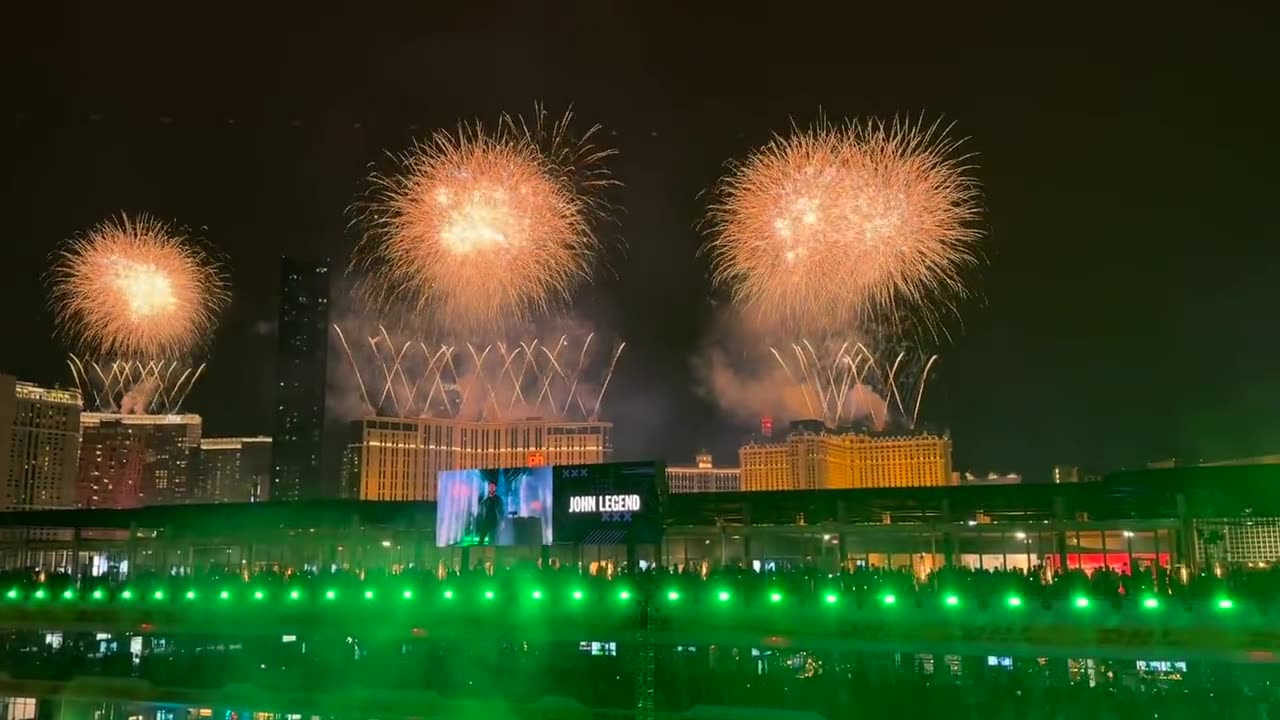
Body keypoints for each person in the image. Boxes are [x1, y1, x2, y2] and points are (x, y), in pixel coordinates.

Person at [477, 480, 503, 545]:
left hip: (495, 520)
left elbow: (501, 510)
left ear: (495, 488)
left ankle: (493, 552)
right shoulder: (485, 499)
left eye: (493, 486)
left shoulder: (498, 499)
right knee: (481, 538)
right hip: (486, 520)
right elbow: (480, 509)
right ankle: (478, 551)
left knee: (494, 539)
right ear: (488, 488)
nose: (491, 488)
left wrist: (502, 521)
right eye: (490, 486)